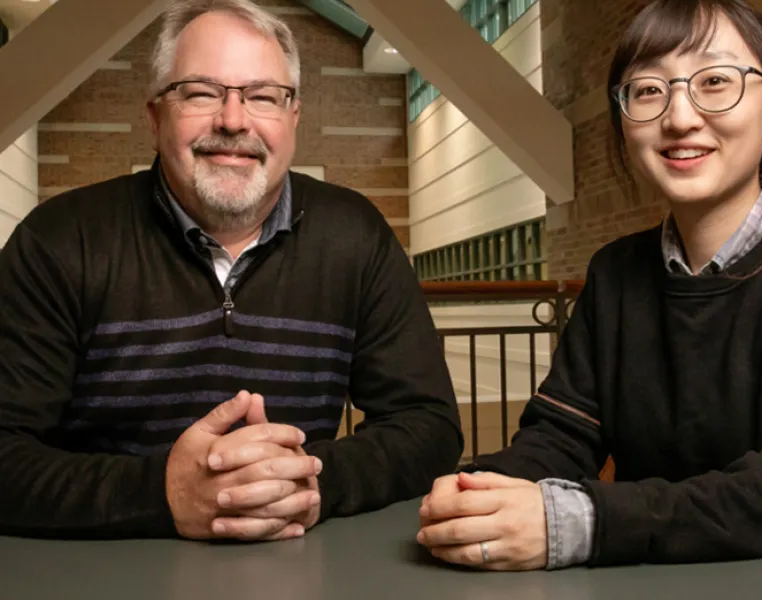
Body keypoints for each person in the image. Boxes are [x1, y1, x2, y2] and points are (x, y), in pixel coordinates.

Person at [416, 0, 762, 571]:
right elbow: (561, 437)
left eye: (716, 81)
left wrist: (581, 523)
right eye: (647, 90)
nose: (679, 117)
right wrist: (478, 492)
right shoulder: (615, 273)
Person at [0, 0, 462, 541]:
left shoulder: (356, 235)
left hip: (298, 563)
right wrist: (165, 493)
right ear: (154, 117)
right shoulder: (59, 239)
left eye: (264, 96)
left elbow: (428, 424)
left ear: (293, 120)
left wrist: (308, 482)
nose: (234, 120)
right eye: (200, 92)